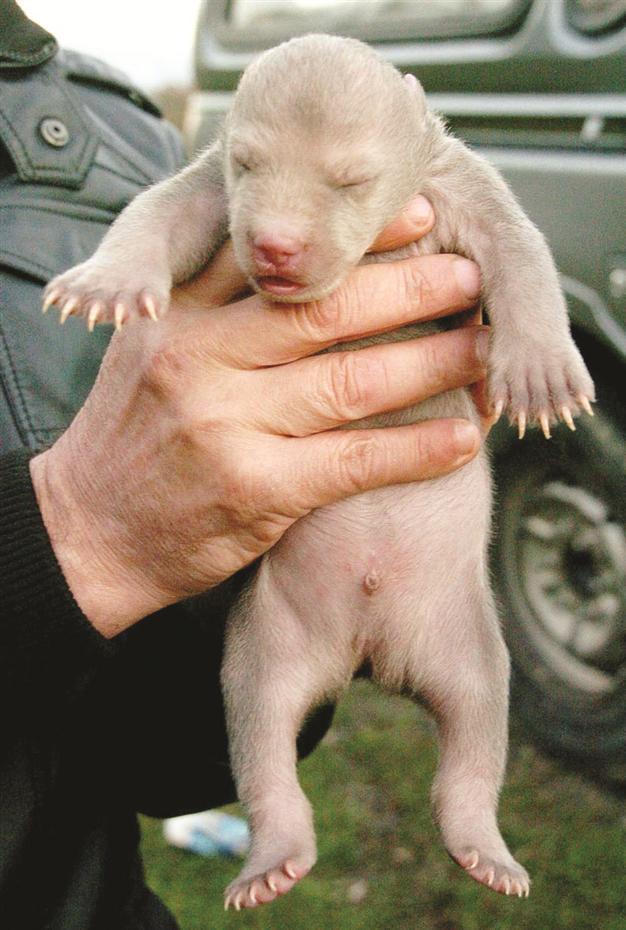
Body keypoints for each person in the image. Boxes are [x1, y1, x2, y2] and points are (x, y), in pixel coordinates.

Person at [0, 2, 487, 927]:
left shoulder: (113, 131)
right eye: (252, 169)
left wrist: (274, 585)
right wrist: (73, 531)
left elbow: (157, 758)